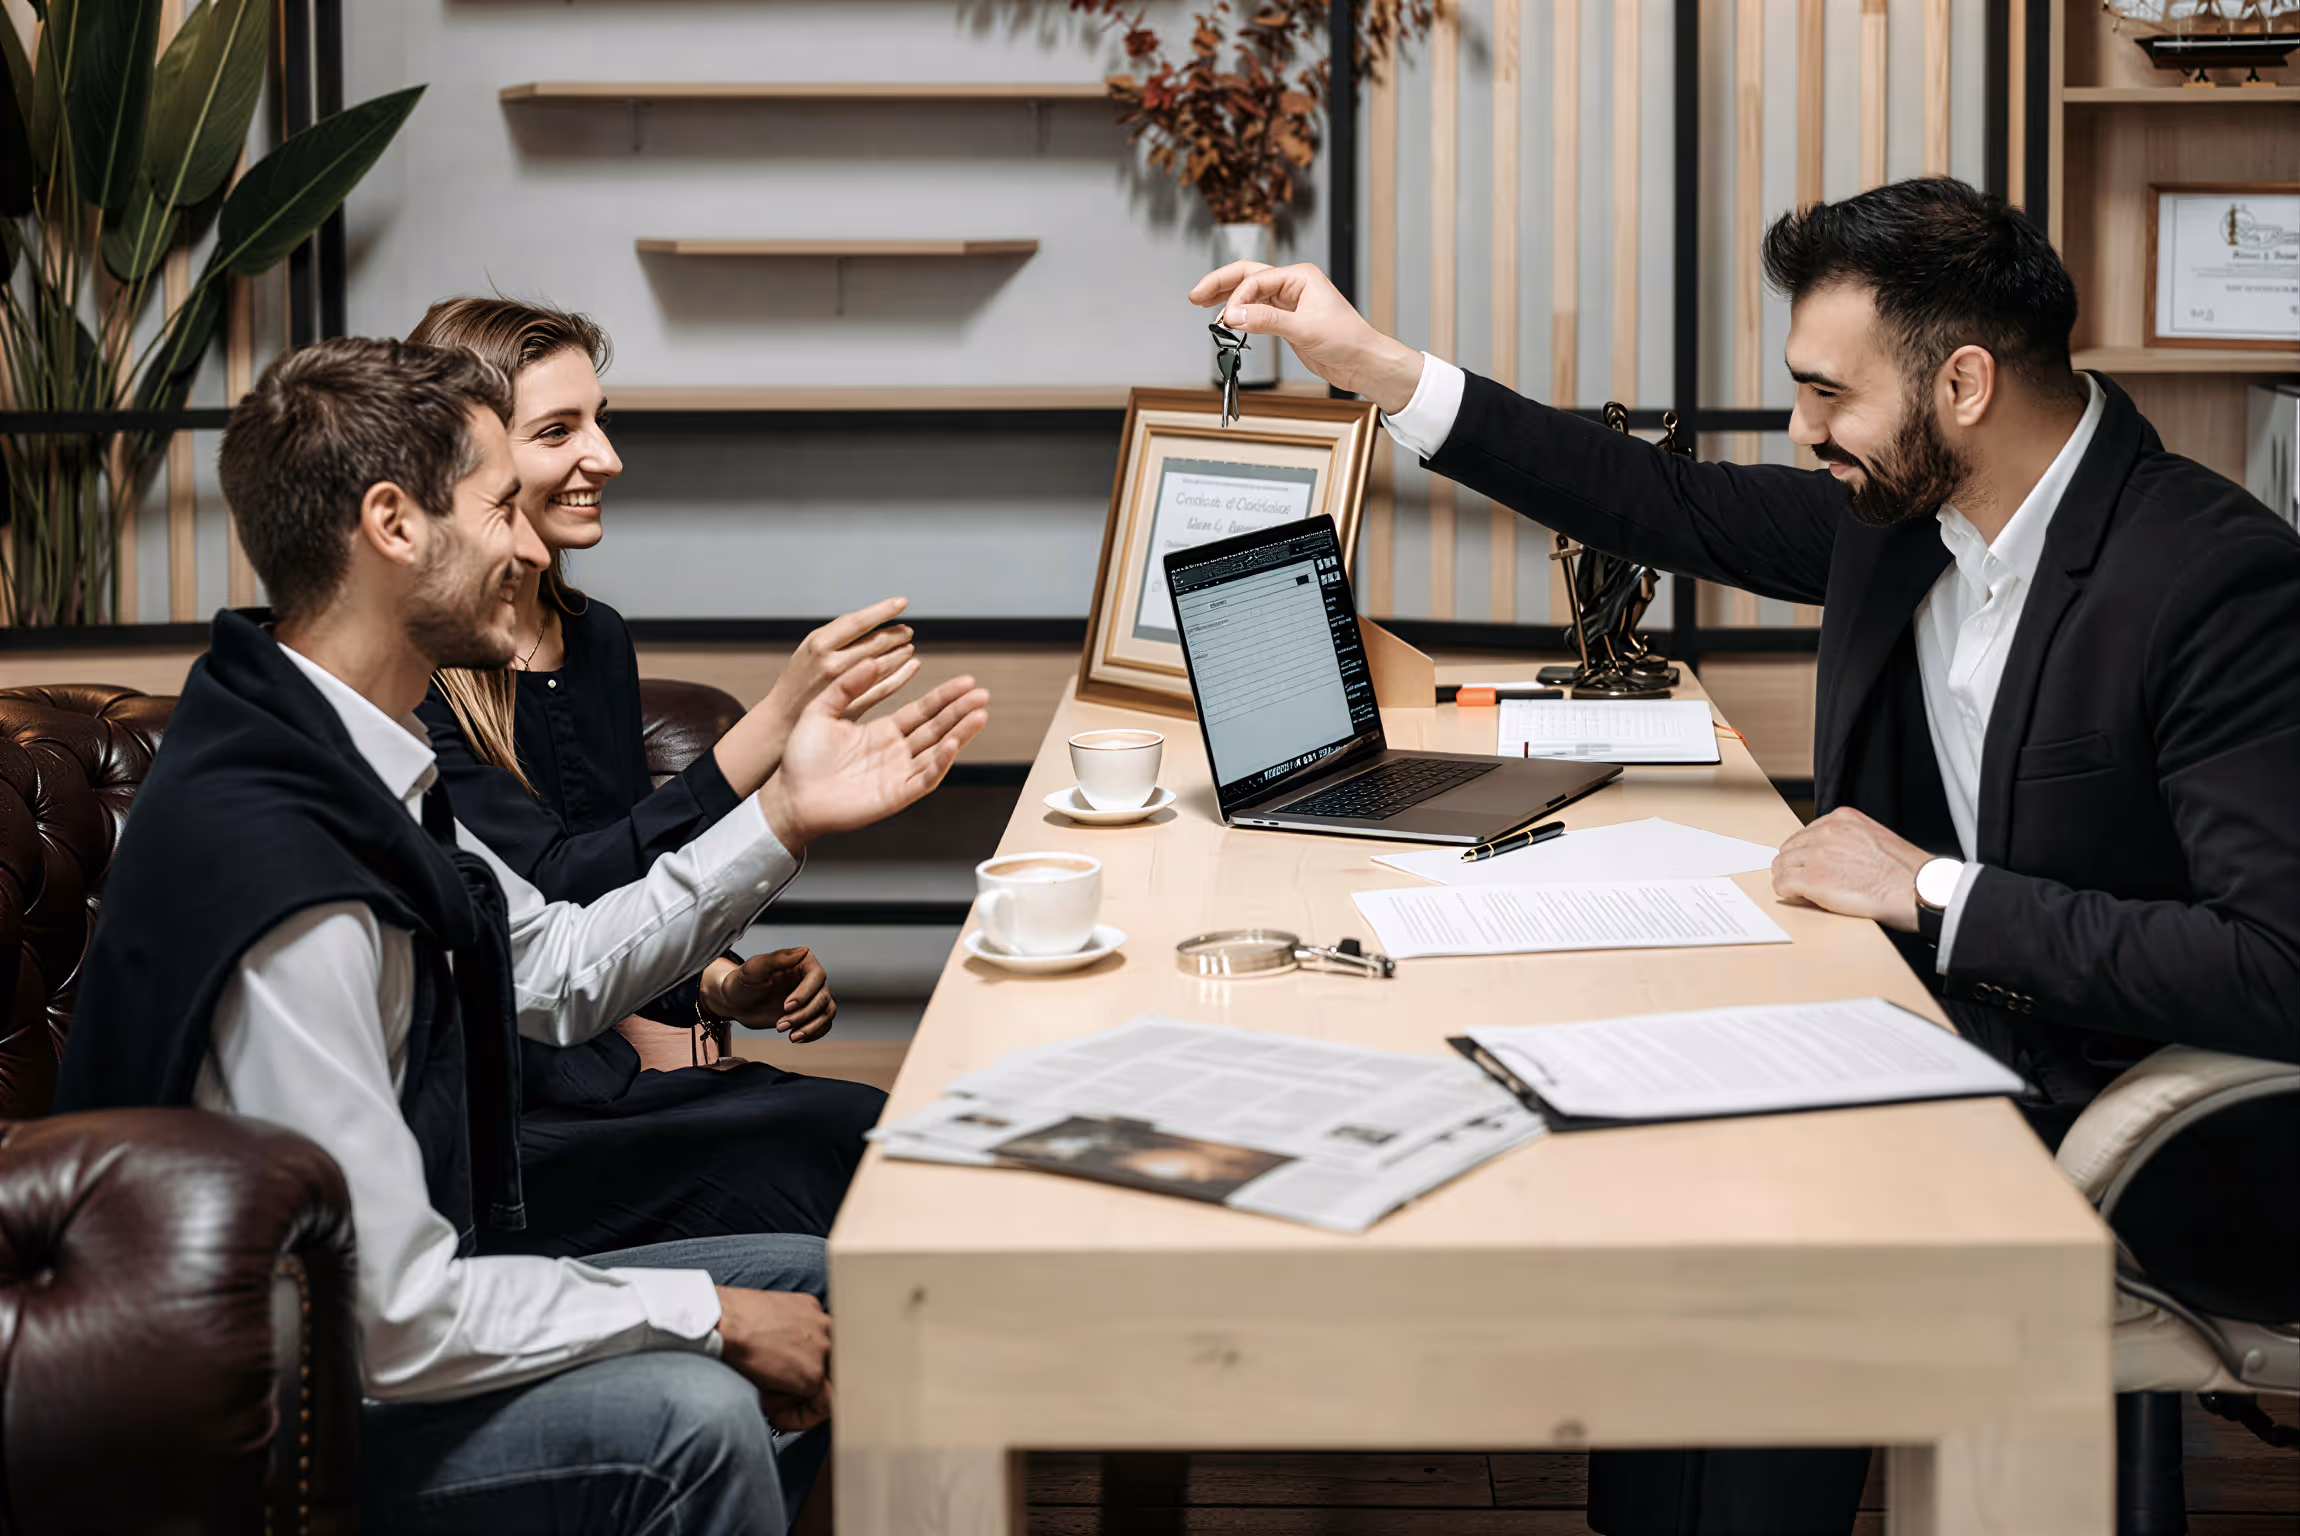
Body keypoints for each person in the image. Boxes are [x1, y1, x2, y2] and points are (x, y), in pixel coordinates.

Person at [1193, 176, 2300, 1533]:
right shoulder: (1908, 520)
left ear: (1960, 384)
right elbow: (1657, 498)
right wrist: (1375, 367)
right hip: (1932, 1028)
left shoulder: (2213, 579)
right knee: (1663, 1150)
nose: (1801, 429)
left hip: (2144, 1115)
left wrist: (1936, 891)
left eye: (1829, 395)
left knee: (1761, 1215)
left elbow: (2278, 966)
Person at [54, 336, 991, 1534]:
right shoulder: (286, 879)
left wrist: (786, 815)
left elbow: (551, 968)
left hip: (394, 1314)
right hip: (287, 1409)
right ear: (394, 524)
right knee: (692, 1423)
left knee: (838, 1292)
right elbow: (388, 1320)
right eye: (501, 505)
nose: (530, 543)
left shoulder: (346, 750)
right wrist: (707, 1314)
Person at [399, 295, 903, 1256]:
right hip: (511, 1125)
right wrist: (774, 727)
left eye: (601, 421)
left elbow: (620, 901)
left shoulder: (599, 641)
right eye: (559, 431)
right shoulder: (407, 685)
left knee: (875, 1136)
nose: (606, 458)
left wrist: (717, 988)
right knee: (828, 1162)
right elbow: (551, 900)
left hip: (609, 1083)